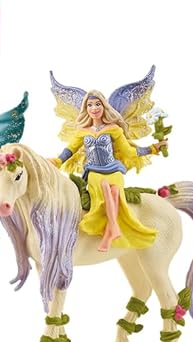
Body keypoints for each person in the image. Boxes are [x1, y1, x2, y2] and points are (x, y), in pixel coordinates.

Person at [51, 90, 167, 252]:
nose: (94, 108)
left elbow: (129, 152)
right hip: (94, 171)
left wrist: (153, 149)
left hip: (113, 169)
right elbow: (70, 149)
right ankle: (113, 228)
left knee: (113, 189)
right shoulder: (83, 131)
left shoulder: (114, 129)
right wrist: (57, 161)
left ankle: (111, 230)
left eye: (97, 104)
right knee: (105, 187)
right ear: (86, 108)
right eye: (90, 105)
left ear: (104, 106)